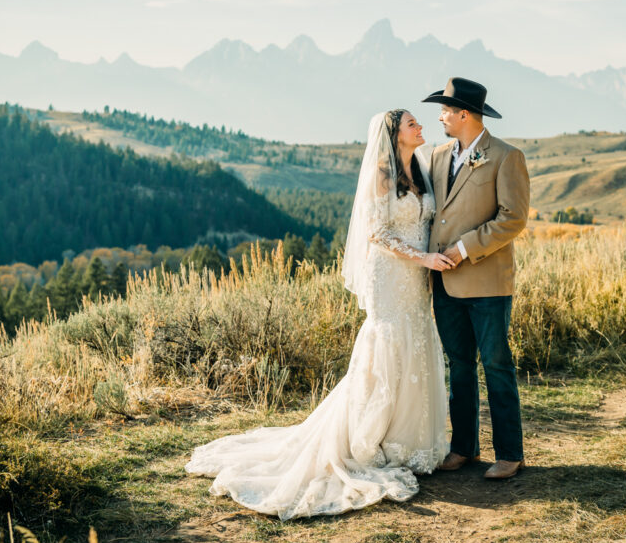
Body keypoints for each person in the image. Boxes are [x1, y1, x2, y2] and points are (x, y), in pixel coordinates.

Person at [185, 109, 452, 519]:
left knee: (415, 339)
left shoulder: (420, 168)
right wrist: (424, 258)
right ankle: (369, 438)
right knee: (389, 343)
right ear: (393, 135)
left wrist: (429, 262)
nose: (420, 127)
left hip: (417, 279)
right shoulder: (382, 174)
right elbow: (377, 233)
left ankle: (411, 441)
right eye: (412, 124)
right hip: (392, 274)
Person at [422, 77, 531, 480]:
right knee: (460, 365)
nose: (441, 117)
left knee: (497, 364)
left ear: (464, 114)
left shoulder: (505, 157)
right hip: (444, 282)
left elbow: (513, 218)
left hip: (487, 282)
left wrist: (464, 248)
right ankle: (463, 447)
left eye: (446, 110)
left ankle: (509, 454)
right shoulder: (436, 156)